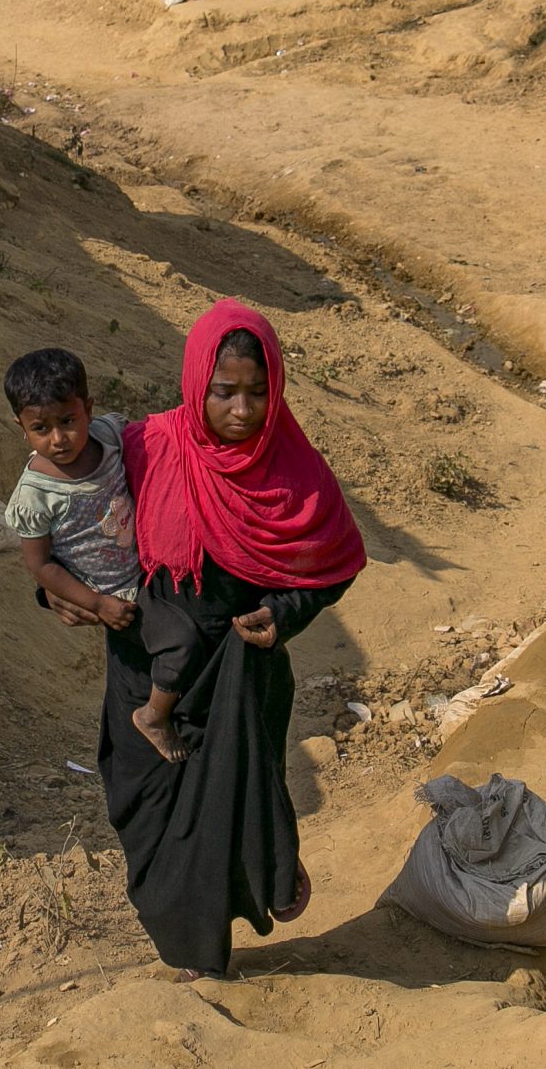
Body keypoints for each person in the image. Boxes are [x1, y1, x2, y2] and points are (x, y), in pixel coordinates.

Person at [103, 299, 365, 979]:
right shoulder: (146, 445)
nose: (243, 409)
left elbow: (331, 562)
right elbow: (70, 517)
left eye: (258, 392)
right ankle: (202, 919)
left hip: (240, 672)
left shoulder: (294, 471)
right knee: (149, 808)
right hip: (148, 669)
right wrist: (59, 591)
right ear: (197, 385)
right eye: (225, 392)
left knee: (224, 803)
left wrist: (283, 612)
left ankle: (204, 950)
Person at [1, 348, 139, 634]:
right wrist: (98, 603)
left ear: (88, 410)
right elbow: (40, 565)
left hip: (147, 576)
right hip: (108, 598)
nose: (59, 439)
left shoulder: (110, 435)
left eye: (68, 421)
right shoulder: (35, 496)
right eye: (40, 428)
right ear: (22, 427)